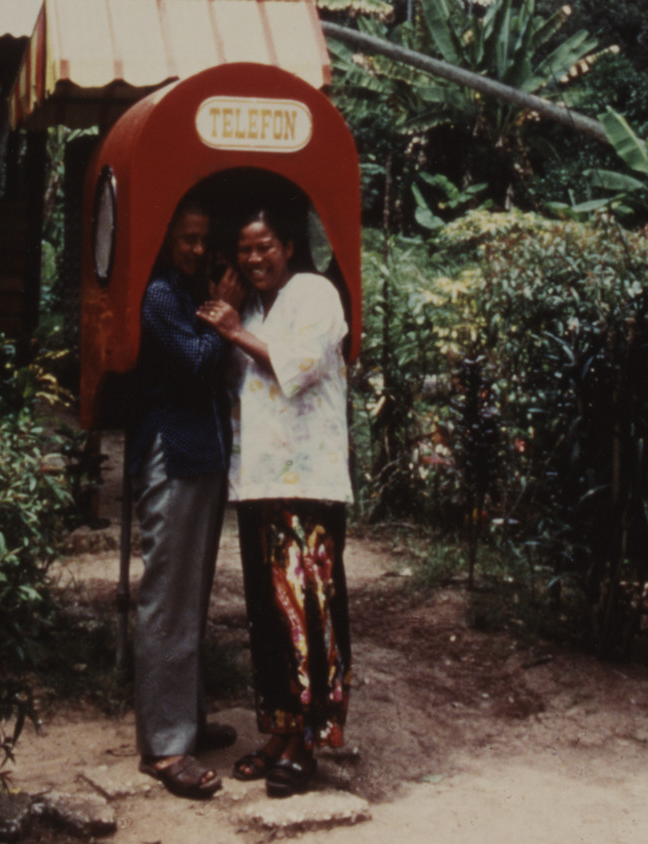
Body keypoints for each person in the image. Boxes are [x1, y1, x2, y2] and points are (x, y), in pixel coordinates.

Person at [197, 207, 352, 799]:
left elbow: (301, 367)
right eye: (244, 250)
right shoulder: (254, 306)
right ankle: (279, 730)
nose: (254, 259)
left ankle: (308, 740)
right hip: (259, 481)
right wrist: (232, 319)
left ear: (289, 245)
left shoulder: (315, 293)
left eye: (264, 247)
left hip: (307, 486)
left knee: (306, 614)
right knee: (268, 616)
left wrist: (233, 330)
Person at [128, 199, 239, 798]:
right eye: (187, 239)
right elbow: (198, 363)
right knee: (168, 597)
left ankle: (186, 719)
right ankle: (167, 748)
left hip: (201, 454)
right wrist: (227, 320)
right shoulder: (160, 296)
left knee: (190, 593)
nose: (196, 249)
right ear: (166, 235)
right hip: (171, 452)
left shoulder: (190, 291)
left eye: (203, 239)